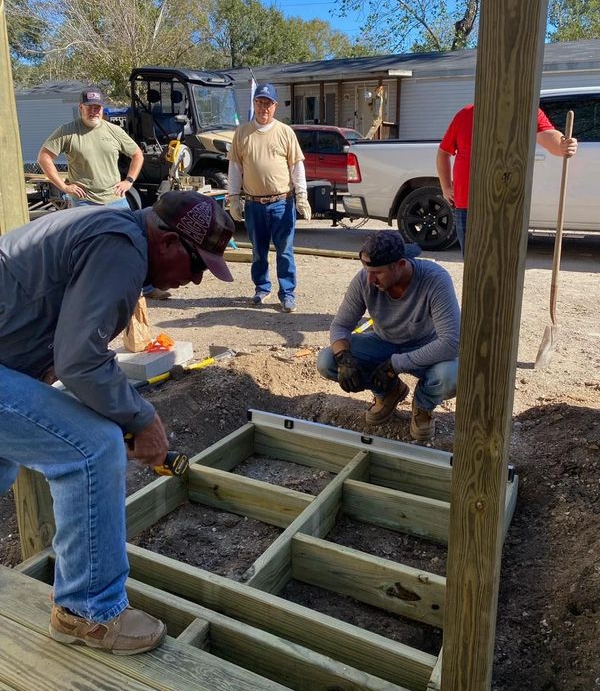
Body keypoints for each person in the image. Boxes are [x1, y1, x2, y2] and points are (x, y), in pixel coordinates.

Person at [0, 191, 235, 654]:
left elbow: (62, 349)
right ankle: (88, 610)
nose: (194, 280)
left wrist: (108, 404)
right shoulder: (122, 246)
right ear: (167, 242)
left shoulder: (111, 231)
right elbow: (80, 360)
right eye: (196, 266)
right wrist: (141, 418)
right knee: (92, 449)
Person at [316, 230, 460, 442]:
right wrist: (344, 359)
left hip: (425, 346)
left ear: (400, 264)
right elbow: (340, 325)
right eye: (367, 270)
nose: (370, 278)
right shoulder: (365, 279)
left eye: (378, 272)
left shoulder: (434, 279)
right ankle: (388, 392)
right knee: (327, 361)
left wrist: (396, 365)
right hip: (382, 343)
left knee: (452, 377)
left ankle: (423, 405)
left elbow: (450, 342)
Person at [37, 87, 169, 300]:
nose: (94, 112)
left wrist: (128, 181)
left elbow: (137, 154)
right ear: (81, 108)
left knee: (135, 242)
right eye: (89, 107)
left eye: (97, 107)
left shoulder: (113, 131)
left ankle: (146, 287)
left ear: (102, 108)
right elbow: (44, 157)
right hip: (84, 203)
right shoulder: (67, 131)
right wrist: (63, 186)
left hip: (115, 200)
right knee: (85, 249)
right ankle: (86, 294)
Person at [436, 103, 578, 254]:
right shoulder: (466, 113)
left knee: (504, 262)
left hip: (507, 203)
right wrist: (446, 187)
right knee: (472, 262)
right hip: (467, 203)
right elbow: (443, 152)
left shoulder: (525, 110)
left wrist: (562, 144)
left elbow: (547, 134)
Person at [227, 82, 312, 313]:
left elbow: (296, 166)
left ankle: (287, 293)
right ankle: (261, 288)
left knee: (285, 250)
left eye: (268, 103)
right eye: (260, 102)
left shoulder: (285, 132)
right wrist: (234, 197)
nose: (263, 107)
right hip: (254, 204)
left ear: (275, 106)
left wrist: (302, 195)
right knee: (258, 250)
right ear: (254, 103)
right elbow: (235, 168)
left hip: (282, 203)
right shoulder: (242, 133)